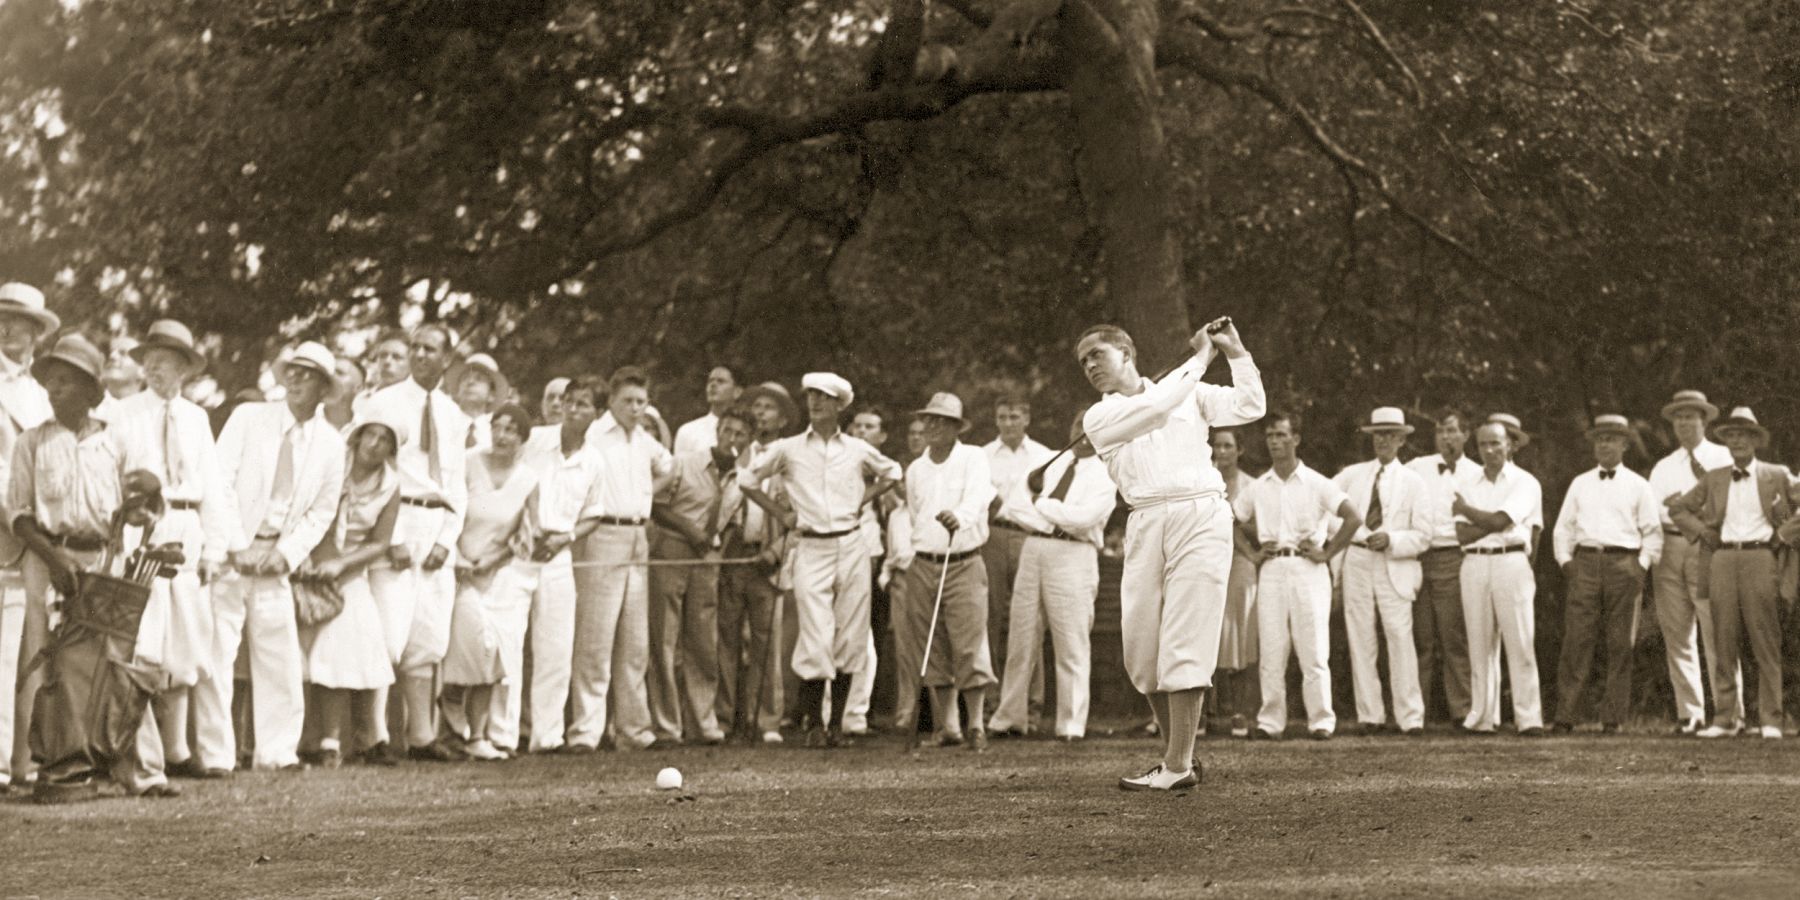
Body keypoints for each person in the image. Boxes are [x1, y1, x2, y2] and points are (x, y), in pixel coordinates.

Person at [1077, 319, 1263, 791]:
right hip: (1144, 519)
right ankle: (1177, 757)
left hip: (1200, 514)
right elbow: (1156, 409)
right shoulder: (1099, 418)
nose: (1090, 366)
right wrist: (1201, 358)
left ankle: (1178, 766)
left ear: (1126, 351)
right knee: (1143, 653)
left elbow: (1250, 404)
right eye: (1083, 362)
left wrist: (1236, 352)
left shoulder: (1189, 392)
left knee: (1185, 639)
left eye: (1096, 354)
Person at [9, 334, 169, 796]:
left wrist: (147, 494)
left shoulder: (117, 440)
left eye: (65, 382)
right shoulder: (31, 442)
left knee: (115, 661)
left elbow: (143, 498)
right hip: (47, 555)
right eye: (50, 382)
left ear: (90, 391)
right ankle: (39, 766)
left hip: (105, 556)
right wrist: (54, 558)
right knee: (45, 659)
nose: (54, 390)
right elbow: (19, 514)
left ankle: (138, 772)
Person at [198, 341, 347, 771]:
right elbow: (219, 480)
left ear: (324, 387)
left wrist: (286, 555)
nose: (297, 380)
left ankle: (278, 752)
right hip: (233, 554)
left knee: (279, 655)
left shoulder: (331, 444)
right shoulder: (250, 418)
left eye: (309, 375)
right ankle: (216, 755)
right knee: (218, 652)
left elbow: (322, 510)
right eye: (293, 371)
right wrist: (233, 543)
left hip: (274, 561)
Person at [739, 372, 901, 747]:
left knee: (850, 632)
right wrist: (782, 516)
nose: (815, 402)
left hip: (851, 544)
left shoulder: (857, 449)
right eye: (811, 395)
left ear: (839, 405)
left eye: (825, 397)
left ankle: (836, 725)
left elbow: (893, 472)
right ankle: (813, 723)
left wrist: (861, 498)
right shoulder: (789, 448)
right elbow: (747, 481)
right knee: (814, 631)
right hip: (811, 545)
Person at [106, 320, 235, 780]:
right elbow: (113, 475)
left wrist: (215, 550)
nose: (156, 368)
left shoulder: (197, 418)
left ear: (185, 369)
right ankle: (141, 754)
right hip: (143, 524)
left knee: (186, 639)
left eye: (167, 361)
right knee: (144, 638)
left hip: (188, 521)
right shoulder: (122, 412)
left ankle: (178, 749)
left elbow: (215, 490)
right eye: (150, 360)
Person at [362, 324, 469, 760]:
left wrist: (448, 538)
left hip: (436, 524)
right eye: (416, 348)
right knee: (389, 633)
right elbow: (373, 470)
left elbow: (457, 482)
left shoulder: (453, 413)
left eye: (431, 349)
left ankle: (422, 736)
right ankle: (374, 737)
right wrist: (394, 536)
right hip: (396, 519)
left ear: (447, 357)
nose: (421, 355)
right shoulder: (384, 402)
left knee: (428, 635)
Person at [987, 415, 1116, 740]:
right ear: (1070, 430)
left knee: (1071, 641)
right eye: (1078, 427)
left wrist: (1041, 507)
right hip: (1034, 549)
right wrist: (1051, 515)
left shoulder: (1107, 473)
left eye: (1092, 428)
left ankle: (1070, 724)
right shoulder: (1047, 461)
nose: (1083, 435)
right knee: (1021, 636)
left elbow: (1084, 518)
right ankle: (1010, 718)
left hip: (1074, 554)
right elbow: (1014, 507)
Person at [1669, 407, 1793, 739]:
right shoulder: (1715, 477)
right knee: (1723, 640)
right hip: (1722, 559)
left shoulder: (1776, 474)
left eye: (1744, 435)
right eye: (1732, 435)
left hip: (1761, 557)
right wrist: (1702, 531)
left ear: (1755, 439)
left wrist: (1784, 535)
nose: (1738, 441)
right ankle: (1725, 719)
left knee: (1765, 640)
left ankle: (1771, 720)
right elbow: (1677, 508)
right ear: (1726, 441)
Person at [570, 366, 672, 751]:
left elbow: (669, 469)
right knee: (595, 638)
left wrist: (646, 496)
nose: (634, 408)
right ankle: (585, 732)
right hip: (602, 533)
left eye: (641, 402)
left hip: (637, 536)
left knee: (635, 641)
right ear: (611, 400)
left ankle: (634, 731)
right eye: (627, 400)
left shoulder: (644, 439)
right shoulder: (594, 436)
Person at [1242, 411, 1361, 741]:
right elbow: (1230, 519)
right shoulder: (1258, 486)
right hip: (1272, 569)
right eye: (1270, 436)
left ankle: (1321, 719)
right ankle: (1271, 721)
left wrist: (1327, 552)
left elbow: (1353, 518)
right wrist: (1251, 553)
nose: (1276, 442)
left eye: (1281, 435)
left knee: (1313, 646)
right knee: (1271, 648)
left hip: (1309, 569)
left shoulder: (1318, 483)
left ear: (1295, 439)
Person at [297, 414, 405, 767]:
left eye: (383, 439)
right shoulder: (330, 467)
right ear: (356, 438)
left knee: (364, 650)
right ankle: (315, 741)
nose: (374, 444)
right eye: (369, 435)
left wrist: (342, 566)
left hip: (350, 572)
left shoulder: (390, 484)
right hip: (309, 568)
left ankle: (364, 740)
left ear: (392, 448)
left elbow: (381, 542)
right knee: (310, 658)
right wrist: (311, 560)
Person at [895, 393, 997, 752]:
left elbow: (979, 496)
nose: (933, 426)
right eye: (929, 419)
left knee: (969, 641)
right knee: (931, 645)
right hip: (924, 562)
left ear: (957, 427)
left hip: (965, 560)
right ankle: (948, 726)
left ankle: (977, 725)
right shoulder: (915, 469)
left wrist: (961, 517)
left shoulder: (973, 457)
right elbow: (913, 513)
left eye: (942, 420)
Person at [1550, 414, 1662, 735]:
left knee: (1620, 642)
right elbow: (1563, 528)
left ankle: (1612, 718)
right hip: (1585, 562)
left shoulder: (1639, 486)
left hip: (1624, 564)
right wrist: (1566, 562)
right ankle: (1565, 716)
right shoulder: (1580, 483)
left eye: (1611, 439)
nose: (1604, 445)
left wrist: (1641, 566)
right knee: (1576, 640)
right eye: (1600, 439)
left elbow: (1653, 532)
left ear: (1625, 445)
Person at [439, 403, 538, 761]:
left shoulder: (528, 480)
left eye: (511, 429)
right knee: (466, 652)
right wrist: (458, 558)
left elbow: (527, 537)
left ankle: (474, 736)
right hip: (453, 572)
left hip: (495, 580)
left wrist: (491, 562)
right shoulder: (468, 462)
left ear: (523, 438)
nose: (501, 435)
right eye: (497, 426)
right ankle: (456, 734)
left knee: (488, 654)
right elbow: (447, 514)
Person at [647, 407, 750, 745]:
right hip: (673, 551)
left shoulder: (741, 477)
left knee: (704, 643)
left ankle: (703, 723)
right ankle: (667, 725)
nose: (732, 440)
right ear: (718, 431)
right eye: (728, 431)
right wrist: (688, 528)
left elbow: (733, 523)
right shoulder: (685, 462)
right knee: (664, 641)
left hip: (707, 561)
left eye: (740, 435)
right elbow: (654, 504)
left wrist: (717, 551)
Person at [518, 375, 606, 754]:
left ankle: (547, 737)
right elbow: (510, 481)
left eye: (583, 404)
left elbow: (594, 515)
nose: (572, 409)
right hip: (519, 549)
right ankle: (502, 735)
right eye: (569, 401)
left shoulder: (595, 461)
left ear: (597, 414)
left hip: (559, 555)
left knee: (554, 648)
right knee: (506, 645)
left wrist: (563, 538)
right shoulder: (535, 440)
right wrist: (530, 529)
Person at [1332, 407, 1432, 736]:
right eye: (1378, 434)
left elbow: (1424, 534)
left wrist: (1392, 538)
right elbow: (1325, 506)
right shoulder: (1352, 475)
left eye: (1390, 434)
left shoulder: (1415, 482)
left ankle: (1410, 717)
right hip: (1358, 559)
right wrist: (1353, 535)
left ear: (1402, 439)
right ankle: (1370, 715)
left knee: (1400, 637)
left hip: (1395, 563)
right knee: (1360, 636)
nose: (1383, 441)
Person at [1646, 390, 1737, 734]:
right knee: (1677, 633)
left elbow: (1730, 502)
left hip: (1710, 548)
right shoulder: (1664, 467)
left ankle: (1729, 714)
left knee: (1717, 631)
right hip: (1670, 547)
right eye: (1678, 417)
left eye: (1690, 416)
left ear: (1704, 419)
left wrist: (1684, 506)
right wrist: (1684, 509)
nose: (1684, 423)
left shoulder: (1723, 457)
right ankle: (1691, 714)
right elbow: (1655, 509)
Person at [1452, 421, 1546, 737]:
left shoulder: (1525, 482)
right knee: (1479, 644)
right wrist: (1491, 523)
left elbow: (1501, 519)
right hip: (1475, 563)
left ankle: (1529, 718)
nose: (1489, 450)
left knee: (1520, 641)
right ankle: (1482, 717)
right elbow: (1462, 536)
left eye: (1496, 443)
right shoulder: (1466, 481)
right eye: (1483, 445)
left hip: (1512, 560)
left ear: (1510, 445)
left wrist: (1470, 511)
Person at [0, 282, 56, 793]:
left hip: (34, 539)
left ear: (37, 331)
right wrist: (18, 517)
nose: (7, 327)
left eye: (18, 320)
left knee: (29, 651)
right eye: (2, 317)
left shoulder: (41, 394)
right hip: (8, 530)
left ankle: (23, 762)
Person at [718, 382, 793, 743]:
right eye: (757, 407)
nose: (762, 413)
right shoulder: (737, 453)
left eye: (769, 407)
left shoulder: (790, 455)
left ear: (783, 417)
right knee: (727, 640)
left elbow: (797, 513)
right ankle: (727, 719)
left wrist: (777, 552)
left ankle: (767, 721)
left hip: (768, 558)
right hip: (734, 555)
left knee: (766, 642)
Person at [981, 397, 1052, 730]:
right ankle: (993, 705)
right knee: (991, 618)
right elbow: (979, 494)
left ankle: (1031, 706)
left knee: (1028, 621)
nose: (1007, 423)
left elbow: (1048, 498)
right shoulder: (981, 456)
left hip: (1028, 536)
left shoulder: (1043, 455)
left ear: (1026, 417)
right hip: (992, 535)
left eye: (1013, 416)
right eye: (1001, 417)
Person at [1406, 410, 1479, 726]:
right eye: (1440, 431)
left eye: (1451, 430)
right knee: (1419, 639)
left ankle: (1462, 711)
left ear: (1466, 434)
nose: (1445, 437)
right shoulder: (1416, 468)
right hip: (1417, 558)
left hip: (1455, 557)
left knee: (1454, 638)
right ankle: (1413, 713)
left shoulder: (1477, 473)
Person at [844, 405, 896, 735]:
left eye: (870, 426)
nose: (862, 431)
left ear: (881, 435)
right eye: (857, 425)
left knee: (873, 637)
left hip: (879, 561)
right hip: (844, 555)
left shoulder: (889, 474)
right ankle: (832, 711)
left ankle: (864, 711)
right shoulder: (840, 467)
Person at [1209, 427, 1259, 738]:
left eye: (1228, 445)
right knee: (1205, 632)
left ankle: (1240, 713)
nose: (1222, 451)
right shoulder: (1202, 479)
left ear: (1239, 450)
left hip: (1239, 564)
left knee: (1241, 633)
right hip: (1205, 560)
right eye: (1217, 445)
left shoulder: (1253, 486)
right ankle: (1203, 715)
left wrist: (1250, 554)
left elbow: (1254, 524)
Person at [674, 365, 745, 456]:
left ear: (737, 392)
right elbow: (680, 468)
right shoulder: (688, 431)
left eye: (721, 381)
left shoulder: (746, 432)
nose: (713, 385)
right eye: (710, 381)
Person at [447, 353, 509, 452]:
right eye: (465, 378)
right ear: (458, 390)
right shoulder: (443, 424)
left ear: (491, 395)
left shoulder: (496, 434)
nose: (470, 382)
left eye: (479, 378)